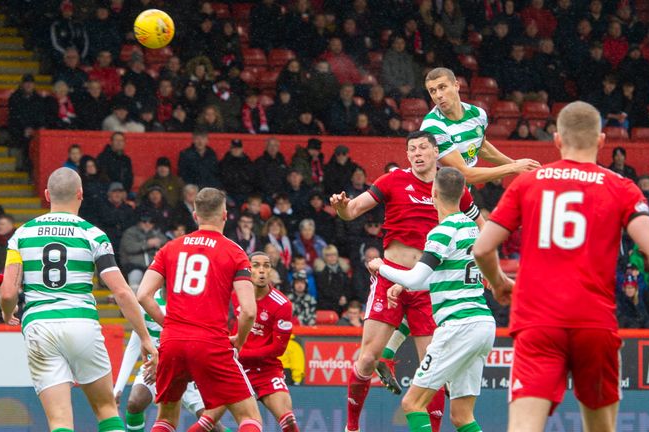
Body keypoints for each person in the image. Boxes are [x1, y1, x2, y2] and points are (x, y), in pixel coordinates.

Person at [473, 101, 649, 432]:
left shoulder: (528, 183)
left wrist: (498, 282)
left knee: (523, 427)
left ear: (556, 140)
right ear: (600, 141)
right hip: (593, 323)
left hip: (537, 324)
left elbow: (482, 248)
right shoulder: (620, 187)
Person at [330, 130, 484, 432]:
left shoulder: (451, 186)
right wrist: (340, 208)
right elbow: (352, 211)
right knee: (367, 358)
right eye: (412, 148)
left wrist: (486, 261)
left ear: (435, 151)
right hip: (391, 278)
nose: (417, 153)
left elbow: (481, 227)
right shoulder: (392, 181)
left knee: (432, 368)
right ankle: (351, 427)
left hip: (429, 286)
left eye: (423, 148)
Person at [0, 167, 157, 432]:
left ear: (47, 195)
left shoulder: (22, 235)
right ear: (80, 194)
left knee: (59, 420)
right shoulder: (92, 235)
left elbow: (7, 292)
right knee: (106, 410)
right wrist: (143, 336)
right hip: (82, 324)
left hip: (40, 326)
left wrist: (6, 312)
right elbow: (121, 291)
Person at [368, 167, 495, 432]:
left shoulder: (442, 231)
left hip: (457, 326)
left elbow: (415, 278)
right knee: (462, 417)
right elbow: (436, 277)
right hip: (482, 323)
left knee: (413, 403)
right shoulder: (473, 229)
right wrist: (403, 287)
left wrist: (382, 267)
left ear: (434, 193)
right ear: (463, 194)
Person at [136, 187, 263, 432]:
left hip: (172, 341)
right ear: (225, 215)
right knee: (249, 418)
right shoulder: (235, 252)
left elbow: (142, 295)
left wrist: (170, 324)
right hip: (211, 342)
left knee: (165, 419)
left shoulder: (170, 248)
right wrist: (239, 341)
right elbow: (248, 311)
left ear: (195, 216)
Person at [207, 252, 299, 432]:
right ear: (247, 269)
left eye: (266, 265)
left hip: (266, 370)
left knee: (288, 420)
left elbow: (278, 349)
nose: (262, 270)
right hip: (234, 369)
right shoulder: (231, 296)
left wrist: (240, 353)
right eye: (256, 265)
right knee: (207, 421)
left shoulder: (282, 304)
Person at [113, 289, 228, 432]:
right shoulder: (145, 300)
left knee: (214, 427)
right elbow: (135, 343)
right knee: (135, 403)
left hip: (187, 369)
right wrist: (118, 388)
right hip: (154, 367)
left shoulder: (191, 300)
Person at [419, 67, 539, 186]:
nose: (438, 95)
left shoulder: (478, 114)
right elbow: (464, 174)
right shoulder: (433, 128)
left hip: (459, 194)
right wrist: (513, 168)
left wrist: (513, 163)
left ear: (456, 85)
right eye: (432, 91)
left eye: (442, 87)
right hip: (433, 197)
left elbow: (481, 147)